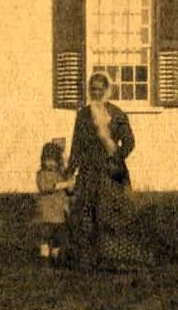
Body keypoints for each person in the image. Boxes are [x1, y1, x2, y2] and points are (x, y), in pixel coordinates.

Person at [66, 71, 136, 268]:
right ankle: (89, 259)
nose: (96, 93)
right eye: (93, 89)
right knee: (86, 214)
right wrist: (71, 171)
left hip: (110, 173)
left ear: (107, 90)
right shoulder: (83, 115)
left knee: (110, 214)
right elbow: (76, 145)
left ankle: (113, 258)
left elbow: (130, 142)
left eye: (100, 89)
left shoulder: (117, 114)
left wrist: (116, 158)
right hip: (89, 172)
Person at [33, 139, 73, 265]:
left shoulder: (60, 174)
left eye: (53, 160)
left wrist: (70, 184)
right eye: (47, 160)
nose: (50, 163)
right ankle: (44, 259)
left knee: (57, 240)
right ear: (42, 161)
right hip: (46, 215)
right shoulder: (42, 175)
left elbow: (66, 193)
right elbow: (47, 187)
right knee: (45, 239)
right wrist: (65, 184)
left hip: (59, 215)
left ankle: (56, 259)